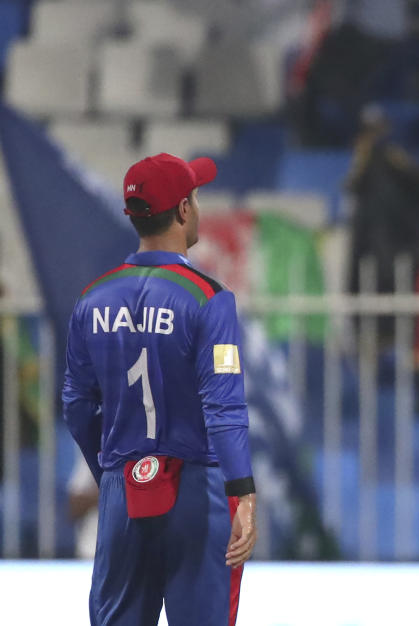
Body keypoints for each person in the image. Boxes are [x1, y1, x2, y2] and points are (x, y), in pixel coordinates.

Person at [62, 153, 257, 626]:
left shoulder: (92, 299)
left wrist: (112, 472)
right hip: (196, 490)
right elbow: (223, 406)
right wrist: (244, 495)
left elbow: (76, 404)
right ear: (185, 209)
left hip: (122, 493)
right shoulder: (209, 299)